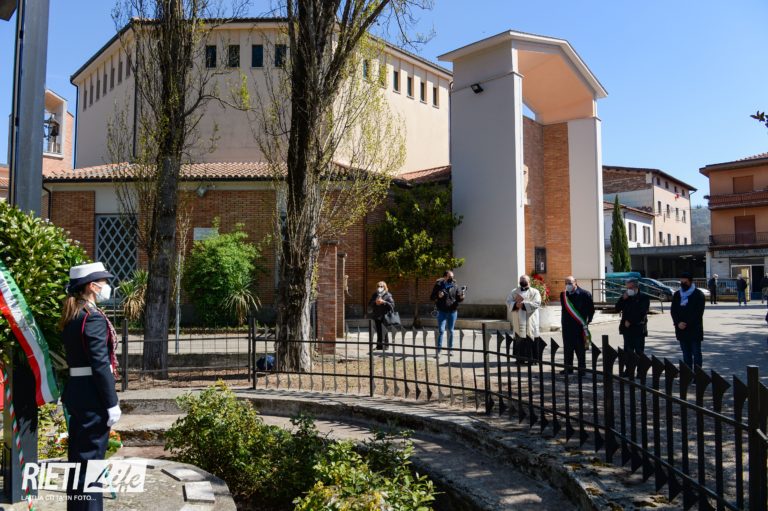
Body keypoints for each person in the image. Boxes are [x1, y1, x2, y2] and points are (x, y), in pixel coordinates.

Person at [58, 262, 121, 511]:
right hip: (92, 396)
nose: (107, 286)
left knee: (79, 461)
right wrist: (111, 402)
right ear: (92, 286)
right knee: (91, 463)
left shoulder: (74, 314)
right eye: (103, 282)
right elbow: (100, 363)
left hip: (78, 391)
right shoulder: (91, 317)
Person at [614, 278, 650, 377]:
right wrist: (622, 299)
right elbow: (617, 309)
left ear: (636, 287)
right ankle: (629, 370)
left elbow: (642, 312)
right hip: (627, 329)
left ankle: (640, 372)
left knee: (639, 351)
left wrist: (630, 321)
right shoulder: (626, 296)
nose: (628, 290)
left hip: (638, 328)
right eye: (627, 288)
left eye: (630, 288)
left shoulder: (644, 297)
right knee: (628, 351)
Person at [560, 276, 594, 375]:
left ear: (575, 282)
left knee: (580, 348)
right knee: (567, 348)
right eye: (566, 283)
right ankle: (568, 368)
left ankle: (582, 369)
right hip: (567, 326)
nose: (568, 285)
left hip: (579, 326)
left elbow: (591, 309)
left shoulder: (585, 294)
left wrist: (588, 321)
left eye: (570, 283)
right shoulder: (563, 295)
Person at [670, 271, 706, 369]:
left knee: (696, 353)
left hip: (694, 329)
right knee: (686, 353)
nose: (683, 284)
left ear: (690, 282)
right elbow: (673, 310)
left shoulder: (698, 294)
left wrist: (686, 323)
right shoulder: (677, 294)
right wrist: (678, 323)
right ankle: (687, 374)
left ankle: (697, 374)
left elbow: (698, 313)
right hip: (681, 329)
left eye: (685, 282)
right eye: (681, 282)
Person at [506, 275, 542, 365]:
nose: (522, 281)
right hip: (519, 319)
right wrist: (515, 304)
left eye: (524, 280)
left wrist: (523, 305)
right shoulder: (514, 291)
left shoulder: (535, 292)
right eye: (521, 280)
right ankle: (520, 359)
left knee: (531, 337)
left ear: (529, 281)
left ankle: (533, 359)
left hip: (530, 319)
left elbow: (537, 303)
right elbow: (508, 302)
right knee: (519, 338)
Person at [430, 270, 465, 357]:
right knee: (441, 331)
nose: (452, 278)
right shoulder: (438, 285)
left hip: (452, 311)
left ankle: (450, 350)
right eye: (450, 277)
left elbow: (458, 298)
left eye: (452, 277)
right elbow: (432, 297)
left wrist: (462, 296)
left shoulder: (455, 285)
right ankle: (439, 351)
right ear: (445, 277)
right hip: (442, 311)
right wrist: (438, 296)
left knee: (451, 331)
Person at [368, 281, 395, 351]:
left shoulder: (388, 295)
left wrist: (384, 302)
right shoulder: (375, 295)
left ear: (384, 287)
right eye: (378, 286)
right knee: (379, 331)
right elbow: (370, 304)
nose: (379, 287)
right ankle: (379, 346)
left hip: (385, 316)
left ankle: (386, 345)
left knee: (384, 331)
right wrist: (375, 302)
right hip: (377, 315)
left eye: (381, 286)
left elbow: (392, 305)